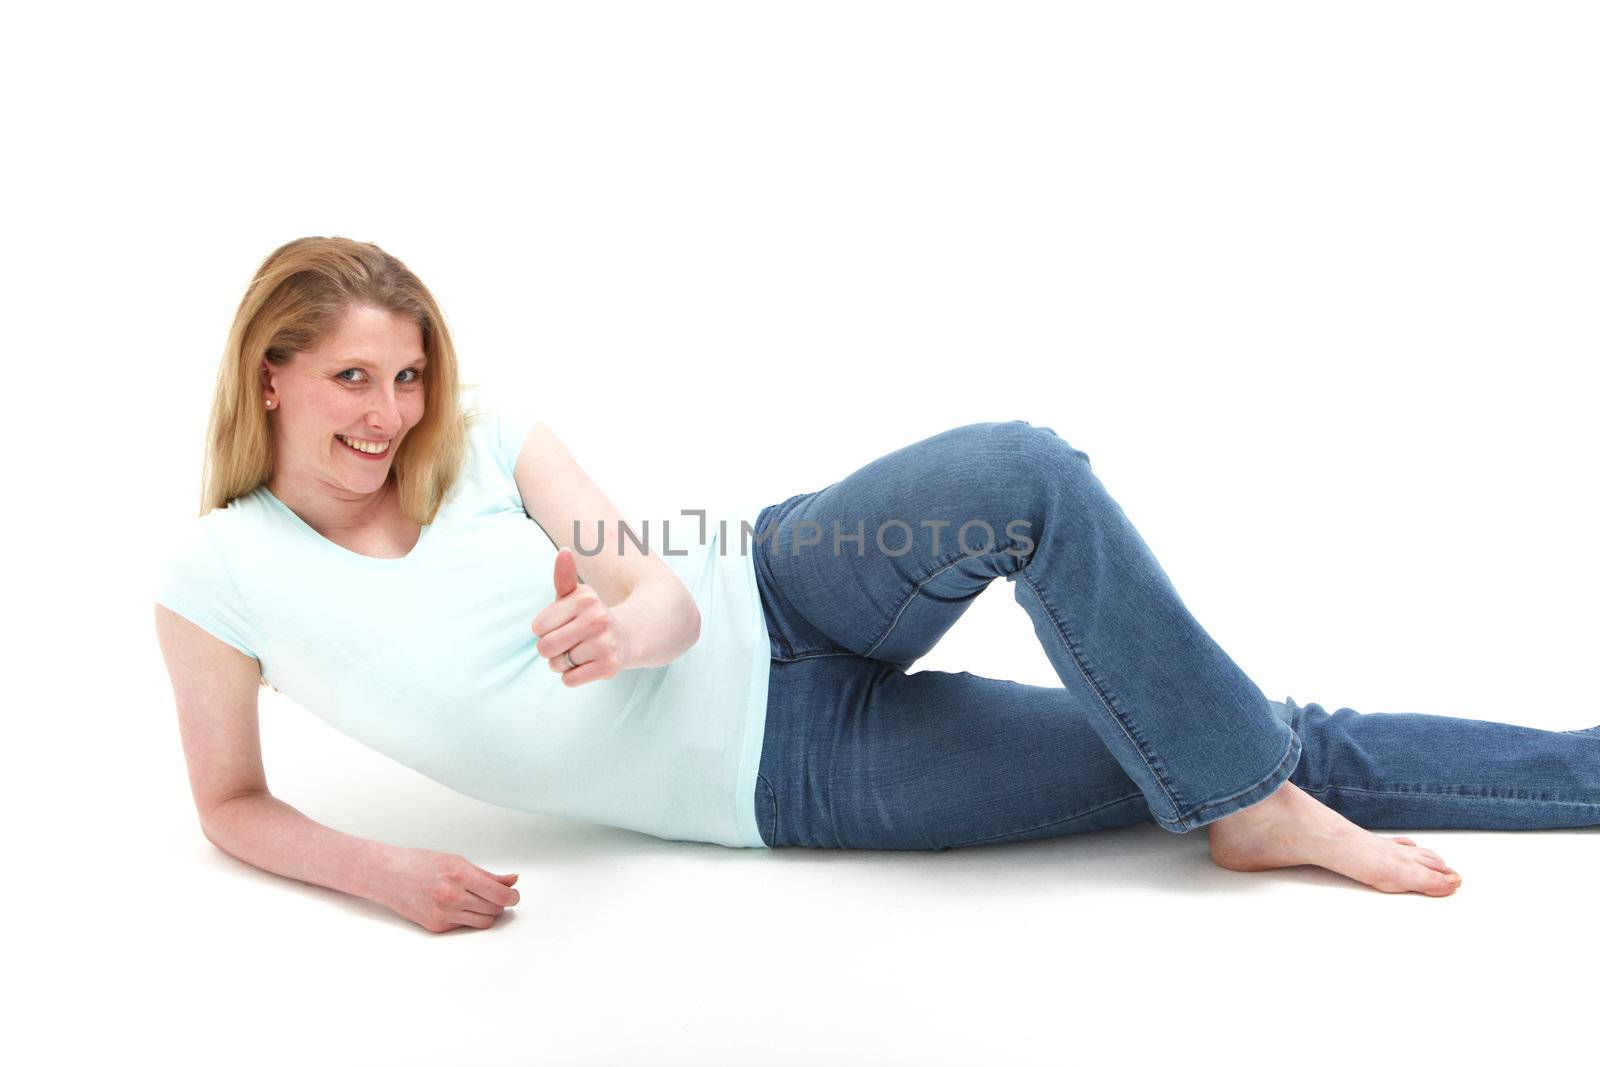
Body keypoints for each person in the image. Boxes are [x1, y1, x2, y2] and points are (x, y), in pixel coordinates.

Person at [156, 236, 1600, 935]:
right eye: (353, 377)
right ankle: (1253, 797)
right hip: (788, 774)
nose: (388, 412)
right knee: (1256, 737)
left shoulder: (483, 437)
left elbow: (650, 590)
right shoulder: (219, 574)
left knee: (1022, 471)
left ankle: (1251, 804)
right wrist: (381, 871)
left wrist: (623, 625)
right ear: (270, 373)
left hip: (781, 580)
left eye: (406, 376)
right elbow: (229, 803)